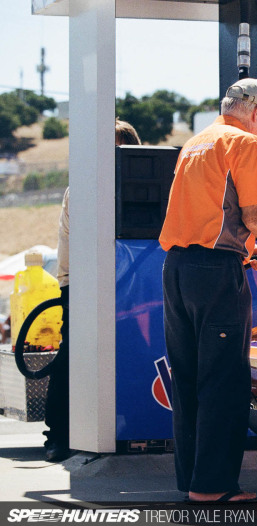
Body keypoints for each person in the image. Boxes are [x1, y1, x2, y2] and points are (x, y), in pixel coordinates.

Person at [159, 78, 257, 504]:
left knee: (190, 378)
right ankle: (213, 488)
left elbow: (214, 218)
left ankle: (194, 483)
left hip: (177, 269)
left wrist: (254, 254)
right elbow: (256, 217)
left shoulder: (195, 144)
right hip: (215, 274)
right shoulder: (245, 145)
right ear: (255, 110)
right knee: (223, 380)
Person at [43, 119, 141, 463]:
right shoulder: (83, 189)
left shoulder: (132, 186)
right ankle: (58, 435)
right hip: (82, 286)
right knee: (72, 359)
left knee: (139, 353)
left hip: (128, 287)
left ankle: (132, 427)